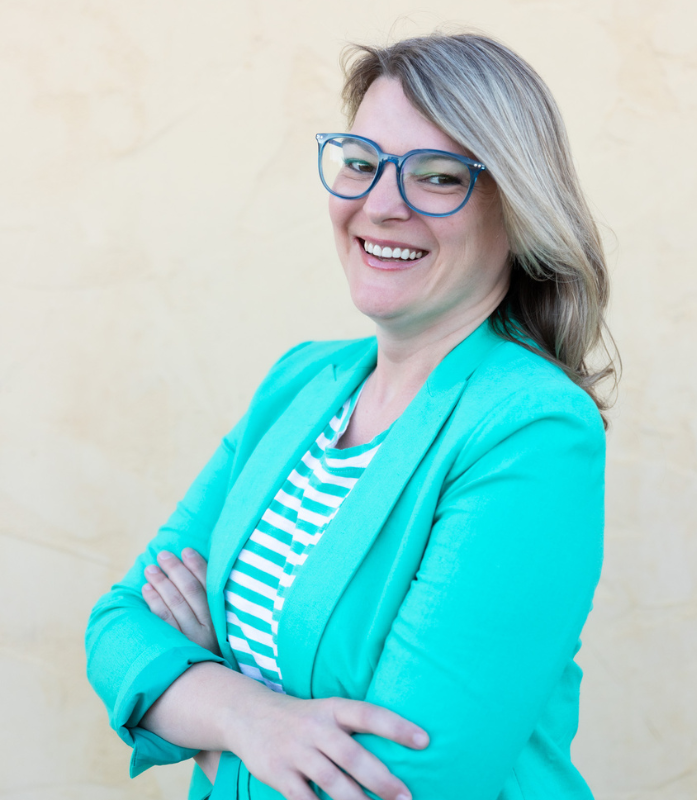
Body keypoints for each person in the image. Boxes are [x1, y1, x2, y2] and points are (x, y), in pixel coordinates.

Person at [86, 32, 617, 800]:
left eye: (437, 177)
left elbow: (403, 781)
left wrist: (199, 717)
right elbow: (118, 624)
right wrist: (246, 716)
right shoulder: (302, 381)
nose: (381, 204)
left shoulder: (530, 431)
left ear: (518, 205)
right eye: (362, 163)